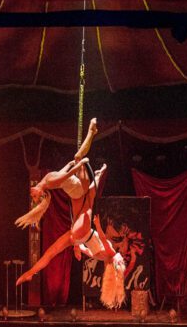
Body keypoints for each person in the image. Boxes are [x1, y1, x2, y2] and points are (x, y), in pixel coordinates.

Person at [14, 118, 126, 308]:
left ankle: (29, 273)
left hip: (80, 230)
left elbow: (101, 248)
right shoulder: (104, 253)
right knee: (78, 163)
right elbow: (103, 248)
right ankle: (92, 135)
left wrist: (81, 244)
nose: (32, 192)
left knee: (50, 253)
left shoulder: (103, 253)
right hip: (81, 229)